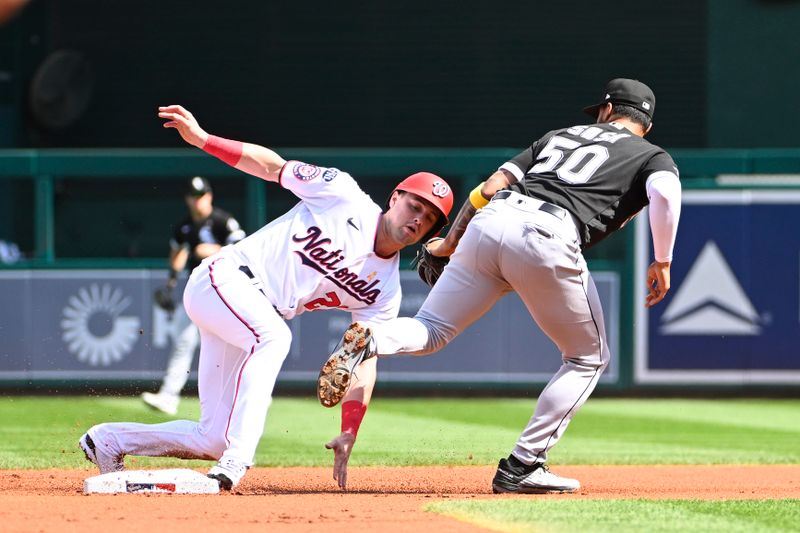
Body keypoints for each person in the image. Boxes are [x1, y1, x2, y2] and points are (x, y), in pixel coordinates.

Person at [319, 78, 682, 493]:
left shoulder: (559, 136)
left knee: (432, 328)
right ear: (645, 125)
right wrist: (663, 259)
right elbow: (666, 196)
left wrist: (449, 243)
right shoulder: (652, 154)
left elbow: (489, 188)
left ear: (605, 109)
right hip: (548, 235)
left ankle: (372, 337)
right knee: (587, 358)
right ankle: (523, 465)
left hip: (493, 220)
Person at [78, 104, 454, 491]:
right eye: (415, 205)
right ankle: (236, 463)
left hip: (248, 313)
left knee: (213, 436)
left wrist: (350, 429)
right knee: (275, 338)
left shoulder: (385, 289)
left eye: (429, 218)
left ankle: (109, 440)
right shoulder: (343, 194)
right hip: (224, 278)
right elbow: (272, 167)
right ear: (395, 197)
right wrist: (205, 140)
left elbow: (362, 355)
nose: (418, 218)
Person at [143, 176, 246, 415]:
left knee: (235, 343)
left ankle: (245, 393)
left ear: (209, 196)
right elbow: (178, 251)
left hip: (227, 292)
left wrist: (214, 250)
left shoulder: (223, 221)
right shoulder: (184, 226)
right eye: (193, 196)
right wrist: (170, 282)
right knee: (183, 342)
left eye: (201, 196)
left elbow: (244, 249)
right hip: (199, 292)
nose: (197, 201)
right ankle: (168, 396)